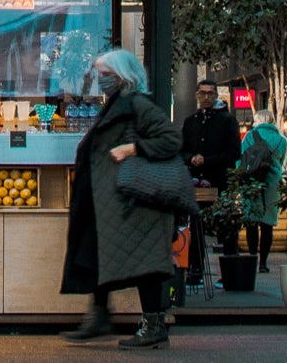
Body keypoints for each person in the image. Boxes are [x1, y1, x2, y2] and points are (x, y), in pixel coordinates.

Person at [60, 49, 184, 350]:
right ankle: (99, 314)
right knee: (98, 252)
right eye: (99, 74)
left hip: (136, 202)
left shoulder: (138, 104)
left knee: (144, 264)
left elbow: (171, 139)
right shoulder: (117, 103)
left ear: (122, 77)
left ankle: (154, 327)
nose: (100, 80)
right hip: (113, 202)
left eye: (106, 75)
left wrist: (131, 150)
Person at [178, 80, 241, 282]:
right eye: (203, 93)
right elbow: (182, 150)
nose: (206, 97)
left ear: (216, 96)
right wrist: (191, 159)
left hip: (219, 180)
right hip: (196, 182)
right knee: (195, 226)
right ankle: (195, 270)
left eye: (211, 93)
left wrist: (209, 160)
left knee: (226, 225)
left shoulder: (227, 121)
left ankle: (230, 271)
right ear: (197, 95)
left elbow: (234, 153)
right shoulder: (191, 121)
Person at [237, 109, 287, 268]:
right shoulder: (281, 140)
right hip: (272, 184)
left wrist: (240, 179)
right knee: (267, 226)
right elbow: (281, 161)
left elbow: (241, 160)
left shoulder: (250, 136)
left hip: (252, 183)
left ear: (257, 120)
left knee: (252, 223)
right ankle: (263, 263)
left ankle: (252, 258)